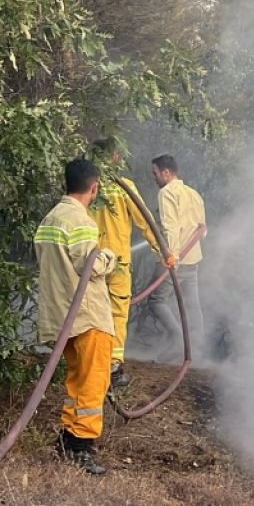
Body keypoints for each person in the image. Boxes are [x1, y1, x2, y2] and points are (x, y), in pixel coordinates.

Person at [35, 158, 118, 475]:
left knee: (77, 385)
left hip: (62, 317)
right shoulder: (80, 221)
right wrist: (110, 257)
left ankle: (67, 440)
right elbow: (91, 265)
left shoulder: (50, 219)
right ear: (94, 188)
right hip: (87, 317)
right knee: (93, 385)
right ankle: (81, 448)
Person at [88, 137, 160, 387]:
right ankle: (113, 366)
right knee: (117, 312)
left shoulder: (88, 187)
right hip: (117, 263)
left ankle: (91, 360)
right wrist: (164, 253)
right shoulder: (123, 187)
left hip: (91, 264)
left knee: (92, 312)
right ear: (115, 157)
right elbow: (145, 220)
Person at [148, 154, 206, 359]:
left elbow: (170, 227)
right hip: (193, 259)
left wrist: (171, 256)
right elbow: (203, 230)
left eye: (155, 173)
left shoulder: (166, 193)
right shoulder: (194, 194)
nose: (154, 178)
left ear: (166, 172)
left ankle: (177, 340)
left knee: (155, 300)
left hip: (173, 259)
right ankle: (196, 348)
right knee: (192, 303)